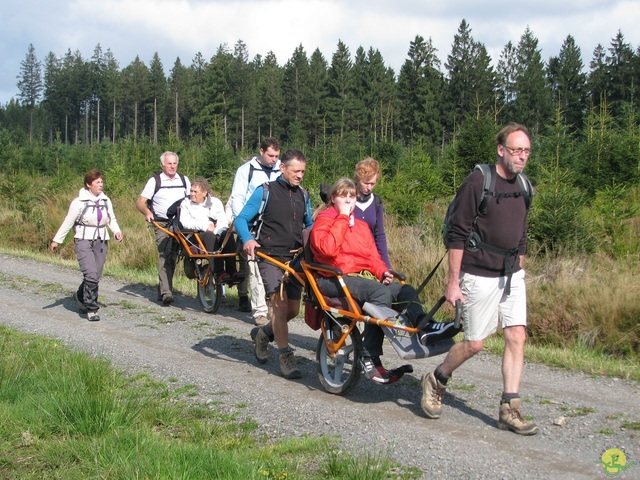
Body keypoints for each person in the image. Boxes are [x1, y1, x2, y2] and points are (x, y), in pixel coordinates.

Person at [421, 123, 539, 435]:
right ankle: (437, 378)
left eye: (526, 150)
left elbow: (522, 234)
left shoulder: (524, 186)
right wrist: (453, 281)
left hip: (512, 274)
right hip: (477, 273)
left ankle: (509, 409)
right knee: (474, 343)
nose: (522, 156)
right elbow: (457, 234)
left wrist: (519, 269)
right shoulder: (479, 181)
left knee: (517, 336)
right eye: (516, 150)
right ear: (501, 150)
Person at [310, 178, 459, 384]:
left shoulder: (361, 226)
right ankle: (369, 356)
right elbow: (327, 249)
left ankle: (425, 329)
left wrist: (382, 272)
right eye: (343, 195)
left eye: (352, 196)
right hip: (333, 278)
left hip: (360, 278)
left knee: (405, 291)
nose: (348, 200)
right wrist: (343, 218)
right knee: (380, 293)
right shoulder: (325, 219)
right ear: (333, 198)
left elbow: (372, 257)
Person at [234, 149, 313, 379]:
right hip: (269, 258)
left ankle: (263, 334)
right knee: (278, 308)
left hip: (295, 259)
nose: (300, 175)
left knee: (292, 311)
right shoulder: (265, 191)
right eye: (296, 171)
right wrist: (248, 239)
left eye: (303, 172)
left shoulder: (303, 195)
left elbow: (309, 226)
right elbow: (241, 219)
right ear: (282, 168)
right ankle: (286, 356)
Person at [50, 169, 123, 321]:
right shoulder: (78, 203)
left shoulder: (105, 201)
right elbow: (68, 221)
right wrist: (57, 240)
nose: (101, 185)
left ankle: (79, 295)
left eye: (102, 182)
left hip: (101, 239)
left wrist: (116, 231)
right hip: (83, 239)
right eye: (98, 182)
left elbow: (111, 219)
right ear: (88, 184)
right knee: (90, 274)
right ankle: (91, 308)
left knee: (96, 274)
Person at [229, 137, 283, 324]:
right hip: (252, 225)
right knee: (253, 267)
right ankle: (259, 311)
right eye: (270, 155)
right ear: (261, 151)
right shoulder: (246, 171)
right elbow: (238, 197)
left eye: (277, 156)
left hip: (273, 227)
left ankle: (272, 306)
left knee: (272, 267)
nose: (274, 159)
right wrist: (241, 223)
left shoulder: (281, 170)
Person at [136, 151, 191, 305]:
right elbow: (140, 201)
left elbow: (192, 198)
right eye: (169, 163)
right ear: (162, 165)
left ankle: (165, 288)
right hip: (162, 223)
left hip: (180, 222)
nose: (172, 166)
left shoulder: (184, 179)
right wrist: (147, 212)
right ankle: (166, 292)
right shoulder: (155, 181)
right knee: (165, 254)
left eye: (174, 163)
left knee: (178, 254)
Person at [173, 179, 242, 283]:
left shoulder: (215, 202)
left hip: (215, 232)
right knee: (209, 236)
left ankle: (232, 271)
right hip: (195, 235)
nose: (191, 194)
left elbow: (223, 220)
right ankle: (219, 272)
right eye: (191, 191)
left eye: (195, 192)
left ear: (204, 193)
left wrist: (217, 232)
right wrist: (205, 226)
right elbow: (185, 222)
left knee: (227, 234)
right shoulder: (186, 204)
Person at [354, 157, 391, 268]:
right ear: (357, 179)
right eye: (366, 183)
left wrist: (386, 266)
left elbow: (379, 235)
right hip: (350, 258)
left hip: (370, 258)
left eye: (372, 184)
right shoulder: (346, 199)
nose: (369, 187)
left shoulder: (376, 202)